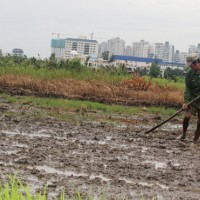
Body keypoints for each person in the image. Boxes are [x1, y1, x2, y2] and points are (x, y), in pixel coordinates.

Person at [179, 53, 200, 143]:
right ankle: (183, 135)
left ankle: (195, 140)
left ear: (196, 63)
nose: (190, 67)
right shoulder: (189, 75)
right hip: (192, 98)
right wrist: (186, 102)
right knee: (187, 116)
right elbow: (187, 89)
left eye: (191, 65)